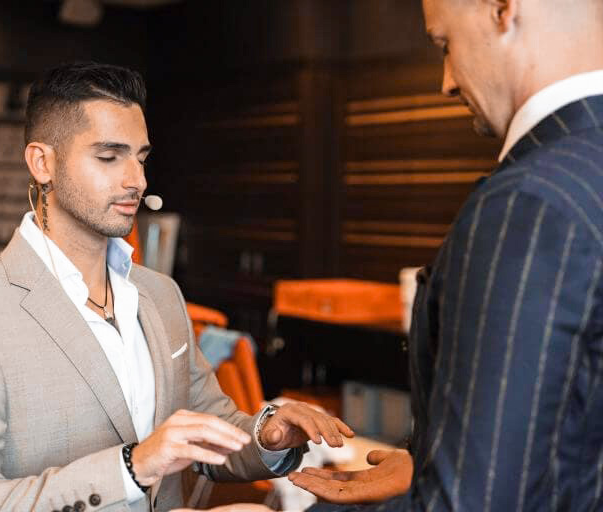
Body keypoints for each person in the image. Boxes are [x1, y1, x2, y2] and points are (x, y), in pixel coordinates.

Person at [179, 0, 603, 510]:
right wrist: (428, 463)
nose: (447, 82)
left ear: (501, 9)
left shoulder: (526, 202)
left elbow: (474, 500)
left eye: (445, 45)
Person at [0, 62, 355, 512]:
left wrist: (265, 436)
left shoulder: (161, 294)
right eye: (108, 156)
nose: (137, 180)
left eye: (140, 158)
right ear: (42, 163)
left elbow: (208, 424)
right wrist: (130, 468)